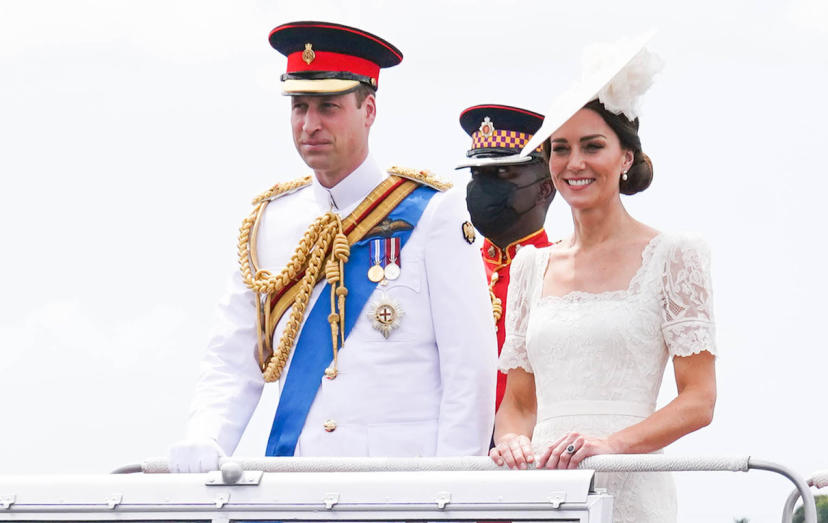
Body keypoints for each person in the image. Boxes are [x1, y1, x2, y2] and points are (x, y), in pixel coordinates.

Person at [168, 21, 497, 473]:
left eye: (328, 107)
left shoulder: (434, 214)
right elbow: (232, 354)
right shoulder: (268, 222)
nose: (310, 125)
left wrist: (450, 494)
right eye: (299, 107)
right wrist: (206, 436)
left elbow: (470, 372)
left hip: (397, 492)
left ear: (369, 110)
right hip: (297, 483)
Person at [488, 35, 718, 522]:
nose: (575, 163)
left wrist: (611, 446)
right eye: (561, 149)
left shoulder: (674, 255)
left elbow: (699, 400)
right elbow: (519, 404)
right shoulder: (531, 267)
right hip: (548, 493)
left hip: (632, 487)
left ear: (626, 157)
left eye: (592, 146)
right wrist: (510, 442)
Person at [456, 104, 555, 411]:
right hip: (455, 450)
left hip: (532, 450)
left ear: (544, 189)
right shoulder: (455, 268)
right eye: (478, 174)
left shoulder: (561, 271)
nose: (484, 187)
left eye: (502, 173)